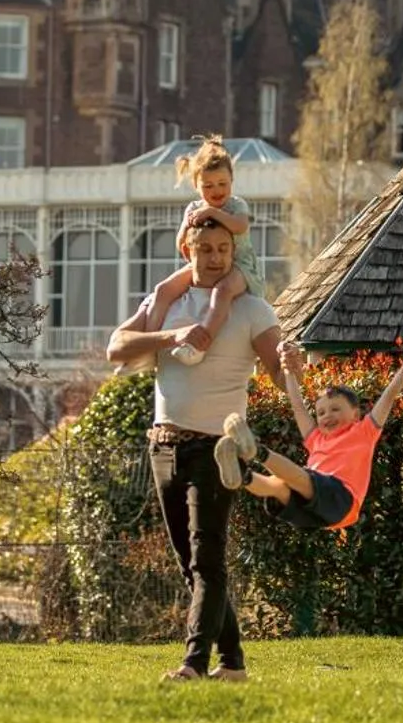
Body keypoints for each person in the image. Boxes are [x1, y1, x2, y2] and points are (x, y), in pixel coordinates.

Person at [107, 213, 285, 682]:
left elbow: (282, 374)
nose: (215, 258)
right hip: (163, 444)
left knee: (208, 558)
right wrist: (171, 336)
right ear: (188, 250)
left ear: (234, 251)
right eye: (205, 249)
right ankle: (233, 664)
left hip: (217, 449)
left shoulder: (251, 309)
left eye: (223, 249)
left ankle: (193, 663)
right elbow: (117, 346)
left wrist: (296, 368)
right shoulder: (168, 301)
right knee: (192, 564)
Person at [215, 334, 403, 531]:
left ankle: (256, 451)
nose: (327, 416)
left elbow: (390, 395)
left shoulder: (364, 431)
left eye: (335, 409)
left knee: (301, 477)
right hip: (317, 515)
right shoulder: (316, 438)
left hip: (342, 498)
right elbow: (297, 405)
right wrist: (288, 369)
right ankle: (242, 477)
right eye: (321, 413)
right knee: (277, 487)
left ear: (356, 414)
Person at [141, 136, 259, 365]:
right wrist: (187, 225)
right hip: (204, 265)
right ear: (196, 186)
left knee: (222, 292)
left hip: (239, 267)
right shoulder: (194, 208)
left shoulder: (235, 205)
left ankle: (199, 345)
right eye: (208, 186)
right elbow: (181, 245)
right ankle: (148, 344)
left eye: (222, 184)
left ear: (232, 181)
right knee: (163, 290)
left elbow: (240, 226)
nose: (216, 191)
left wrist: (213, 214)